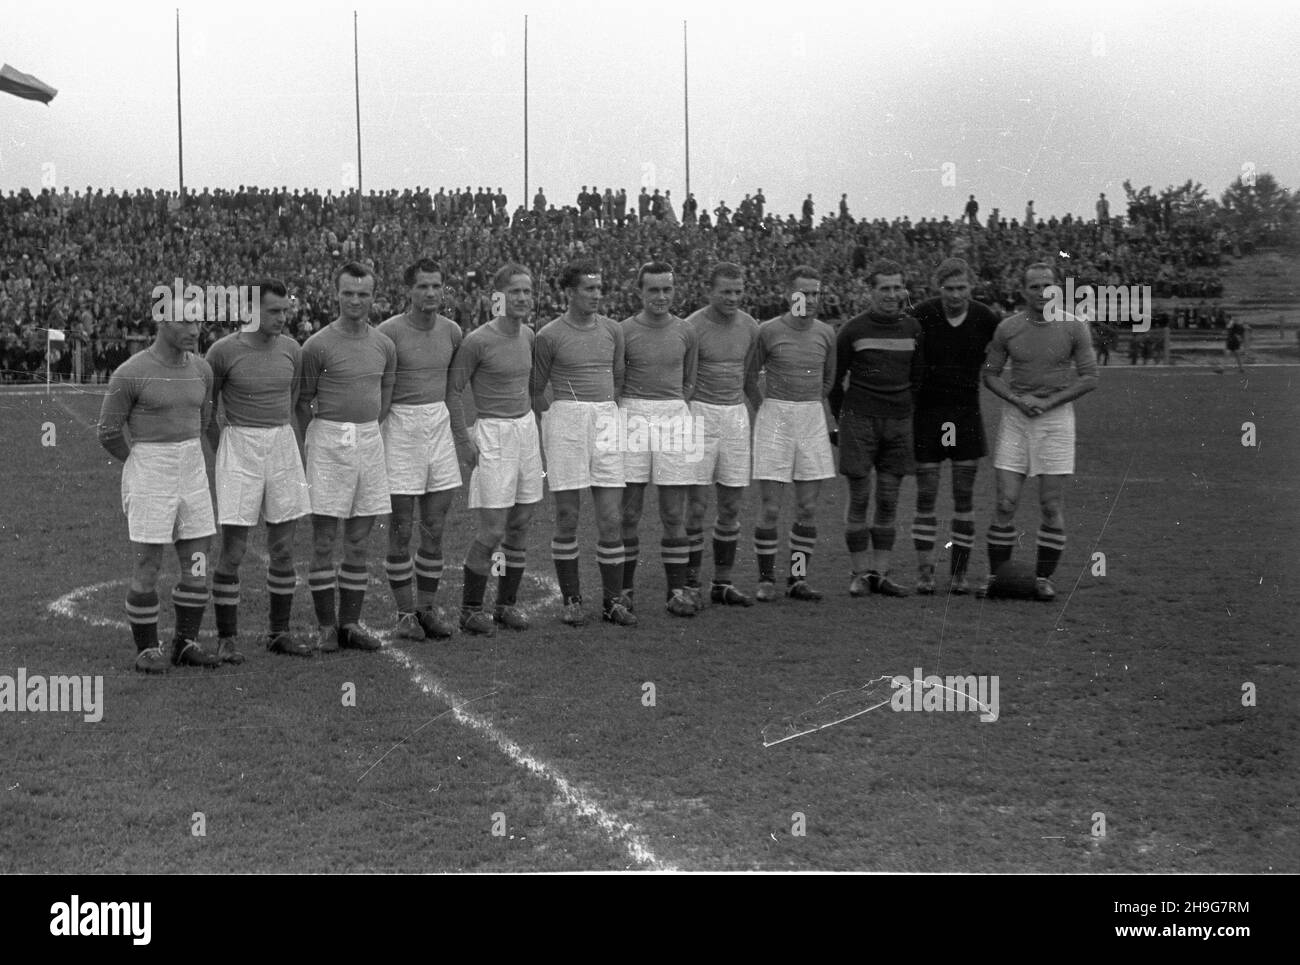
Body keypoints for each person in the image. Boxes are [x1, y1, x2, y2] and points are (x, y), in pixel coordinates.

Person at [97, 291, 221, 673]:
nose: (194, 329)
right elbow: (108, 431)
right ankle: (147, 649)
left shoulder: (202, 369)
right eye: (185, 321)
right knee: (149, 563)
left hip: (192, 468)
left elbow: (202, 421)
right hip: (151, 468)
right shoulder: (131, 372)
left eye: (198, 321)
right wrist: (141, 461)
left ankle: (185, 642)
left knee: (197, 561)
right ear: (161, 322)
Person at [205, 278, 314, 661]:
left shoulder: (292, 349)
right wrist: (227, 451)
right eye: (273, 311)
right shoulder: (222, 351)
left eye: (285, 310)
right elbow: (207, 411)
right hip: (239, 446)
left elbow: (295, 398)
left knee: (283, 548)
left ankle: (278, 633)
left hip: (282, 444)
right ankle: (227, 638)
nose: (282, 318)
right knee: (233, 550)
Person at [980, 261, 1099, 600]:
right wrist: (1017, 399)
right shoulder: (1008, 328)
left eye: (1047, 284)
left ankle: (1044, 578)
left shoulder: (1074, 327)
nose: (1041, 291)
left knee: (1050, 504)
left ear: (1057, 288)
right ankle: (994, 577)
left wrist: (1050, 402)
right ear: (1023, 291)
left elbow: (1090, 377)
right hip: (1017, 417)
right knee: (1005, 502)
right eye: (1033, 286)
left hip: (1056, 419)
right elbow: (989, 374)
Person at [295, 262, 397, 651]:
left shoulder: (383, 344)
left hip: (369, 439)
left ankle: (351, 623)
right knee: (324, 539)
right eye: (348, 293)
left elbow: (384, 397)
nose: (355, 300)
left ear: (374, 296)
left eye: (363, 294)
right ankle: (326, 627)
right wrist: (319, 440)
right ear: (336, 294)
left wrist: (364, 427)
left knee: (358, 538)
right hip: (328, 438)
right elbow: (303, 402)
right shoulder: (317, 345)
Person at [532, 260, 633, 627]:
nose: (596, 295)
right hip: (567, 421)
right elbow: (535, 390)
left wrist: (603, 415)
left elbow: (618, 379)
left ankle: (612, 602)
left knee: (610, 517)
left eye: (599, 287)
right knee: (568, 516)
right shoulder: (549, 334)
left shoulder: (612, 331)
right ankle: (572, 601)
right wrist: (558, 420)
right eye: (589, 288)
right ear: (570, 292)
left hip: (605, 419)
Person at [377, 259, 471, 641]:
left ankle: (427, 610)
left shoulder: (452, 332)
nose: (431, 293)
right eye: (423, 287)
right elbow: (380, 392)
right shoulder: (389, 333)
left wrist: (462, 437)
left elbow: (453, 391)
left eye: (437, 286)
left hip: (438, 429)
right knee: (401, 529)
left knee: (434, 527)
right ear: (409, 291)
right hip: (401, 428)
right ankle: (404, 615)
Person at [449, 264, 544, 635]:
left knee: (519, 526)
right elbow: (453, 391)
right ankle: (471, 609)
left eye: (528, 291)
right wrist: (463, 440)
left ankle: (505, 605)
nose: (523, 298)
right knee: (493, 529)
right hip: (493, 434)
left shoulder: (530, 336)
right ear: (498, 297)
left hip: (525, 432)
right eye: (515, 291)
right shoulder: (478, 341)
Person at [829, 260, 924, 598]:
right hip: (859, 421)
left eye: (897, 288)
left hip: (898, 422)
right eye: (885, 288)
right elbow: (834, 382)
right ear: (870, 291)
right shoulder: (853, 330)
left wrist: (901, 408)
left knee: (887, 499)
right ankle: (858, 574)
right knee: (860, 497)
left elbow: (918, 378)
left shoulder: (912, 328)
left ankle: (881, 573)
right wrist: (845, 418)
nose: (892, 294)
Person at [908, 258, 1000, 595]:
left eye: (961, 288)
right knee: (926, 495)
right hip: (928, 413)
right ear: (938, 289)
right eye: (949, 289)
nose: (955, 295)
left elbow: (1004, 350)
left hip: (966, 412)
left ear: (971, 287)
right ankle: (925, 571)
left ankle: (959, 574)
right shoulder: (922, 313)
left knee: (964, 496)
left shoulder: (985, 317)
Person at [618, 261, 699, 618]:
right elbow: (617, 380)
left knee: (672, 512)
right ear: (640, 292)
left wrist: (672, 405)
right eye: (653, 289)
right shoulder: (623, 331)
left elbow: (690, 381)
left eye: (667, 289)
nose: (661, 296)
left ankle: (677, 592)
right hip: (632, 415)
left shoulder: (686, 331)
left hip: (675, 415)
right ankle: (624, 592)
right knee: (629, 511)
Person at [752, 266, 837, 602]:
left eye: (816, 293)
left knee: (807, 508)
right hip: (775, 416)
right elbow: (749, 377)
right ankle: (766, 579)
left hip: (811, 419)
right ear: (789, 295)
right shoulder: (768, 330)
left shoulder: (826, 333)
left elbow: (828, 379)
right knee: (771, 508)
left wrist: (809, 405)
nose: (811, 299)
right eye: (804, 293)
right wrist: (767, 408)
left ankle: (798, 578)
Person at [684, 263, 762, 609]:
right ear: (709, 292)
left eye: (737, 292)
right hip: (700, 413)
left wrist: (762, 411)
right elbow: (684, 380)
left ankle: (723, 582)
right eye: (725, 291)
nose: (732, 298)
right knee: (696, 506)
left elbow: (748, 378)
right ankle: (690, 583)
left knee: (730, 505)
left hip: (735, 416)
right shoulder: (692, 327)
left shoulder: (750, 326)